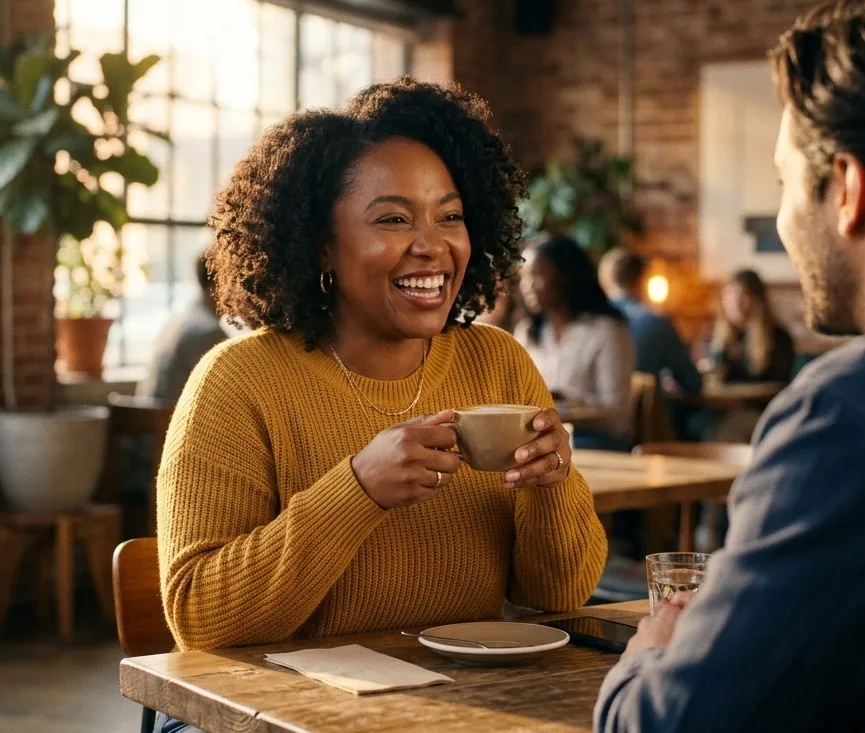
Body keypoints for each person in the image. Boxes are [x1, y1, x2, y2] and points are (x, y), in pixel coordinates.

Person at [595, 0, 865, 731]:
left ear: (848, 188)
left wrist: (652, 651)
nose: (780, 218)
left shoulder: (863, 412)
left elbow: (672, 724)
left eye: (784, 183)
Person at [154, 79, 608, 732]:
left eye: (450, 216)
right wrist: (357, 489)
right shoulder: (238, 380)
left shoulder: (498, 362)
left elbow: (555, 596)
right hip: (265, 714)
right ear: (320, 245)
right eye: (394, 218)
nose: (432, 244)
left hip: (453, 705)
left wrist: (550, 485)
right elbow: (199, 617)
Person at [515, 235, 636, 451]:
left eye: (537, 275)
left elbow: (617, 417)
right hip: (540, 437)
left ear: (565, 276)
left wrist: (564, 410)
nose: (527, 286)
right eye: (523, 277)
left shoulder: (606, 331)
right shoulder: (529, 333)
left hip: (595, 441)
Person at [599, 248, 702, 396]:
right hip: (647, 416)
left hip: (590, 415)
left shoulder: (590, 323)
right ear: (643, 278)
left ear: (604, 281)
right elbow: (692, 382)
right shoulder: (656, 322)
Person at [136, 252, 227, 402]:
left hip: (150, 420)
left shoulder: (178, 320)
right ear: (218, 283)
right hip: (171, 420)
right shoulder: (208, 333)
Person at [707, 269, 794, 384]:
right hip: (722, 402)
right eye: (730, 294)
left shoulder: (779, 338)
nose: (735, 302)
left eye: (744, 295)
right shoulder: (713, 337)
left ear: (758, 300)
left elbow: (777, 385)